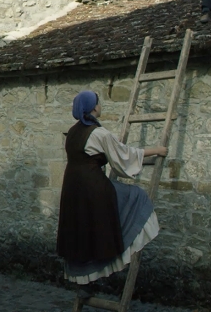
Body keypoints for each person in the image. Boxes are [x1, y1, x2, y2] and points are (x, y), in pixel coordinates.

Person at [56, 91, 168, 296]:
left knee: (83, 232)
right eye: (98, 102)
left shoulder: (72, 132)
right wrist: (156, 150)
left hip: (73, 189)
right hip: (92, 187)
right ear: (93, 107)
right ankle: (121, 247)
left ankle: (85, 283)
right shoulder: (99, 134)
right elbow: (123, 156)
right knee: (136, 196)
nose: (100, 105)